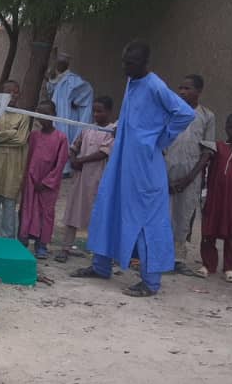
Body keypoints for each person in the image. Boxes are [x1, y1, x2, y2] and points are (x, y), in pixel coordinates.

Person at [70, 41, 194, 297]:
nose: (126, 67)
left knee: (145, 219)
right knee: (109, 206)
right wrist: (123, 127)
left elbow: (184, 113)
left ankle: (150, 282)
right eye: (124, 62)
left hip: (144, 166)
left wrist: (160, 138)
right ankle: (100, 266)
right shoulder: (131, 81)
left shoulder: (155, 85)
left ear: (145, 64)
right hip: (122, 159)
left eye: (132, 63)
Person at [165, 74, 215, 273]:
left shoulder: (207, 116)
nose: (182, 92)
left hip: (190, 177)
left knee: (183, 216)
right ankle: (159, 255)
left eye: (187, 88)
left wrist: (188, 178)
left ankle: (178, 259)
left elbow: (207, 151)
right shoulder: (171, 112)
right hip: (165, 172)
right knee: (162, 215)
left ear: (199, 91)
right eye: (180, 88)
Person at [57, 95, 115, 262]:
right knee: (73, 211)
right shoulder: (87, 128)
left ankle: (99, 254)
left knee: (98, 214)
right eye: (94, 111)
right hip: (81, 178)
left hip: (99, 177)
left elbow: (103, 153)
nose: (96, 115)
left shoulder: (113, 130)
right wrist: (73, 158)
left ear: (109, 112)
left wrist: (80, 161)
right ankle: (66, 247)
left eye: (100, 111)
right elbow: (74, 146)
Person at [198, 113, 232, 282]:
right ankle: (208, 265)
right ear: (225, 127)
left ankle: (229, 268)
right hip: (215, 199)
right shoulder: (217, 148)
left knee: (231, 236)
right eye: (230, 127)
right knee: (209, 233)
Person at [18, 100, 70, 259]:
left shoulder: (61, 138)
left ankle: (42, 244)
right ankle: (23, 240)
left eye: (47, 114)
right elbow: (28, 158)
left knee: (46, 213)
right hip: (31, 181)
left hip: (48, 184)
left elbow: (60, 163)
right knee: (27, 210)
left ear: (54, 115)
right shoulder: (33, 136)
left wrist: (47, 182)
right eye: (40, 114)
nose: (43, 118)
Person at [0, 79, 30, 238]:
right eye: (9, 91)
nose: (12, 95)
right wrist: (10, 133)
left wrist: (0, 137)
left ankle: (8, 241)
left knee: (9, 206)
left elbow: (21, 139)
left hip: (13, 168)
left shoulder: (24, 116)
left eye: (16, 91)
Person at [46, 52, 93, 148]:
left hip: (68, 113)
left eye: (62, 63)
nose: (60, 65)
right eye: (58, 63)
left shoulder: (73, 79)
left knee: (66, 138)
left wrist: (77, 100)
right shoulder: (53, 78)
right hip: (55, 112)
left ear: (67, 65)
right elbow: (50, 91)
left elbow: (87, 89)